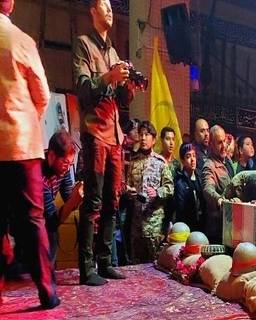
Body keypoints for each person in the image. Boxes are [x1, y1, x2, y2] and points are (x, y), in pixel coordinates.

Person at [0, 0, 60, 308]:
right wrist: (25, 122)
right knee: (34, 220)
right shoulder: (20, 40)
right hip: (21, 145)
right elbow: (43, 95)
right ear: (9, 5)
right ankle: (47, 292)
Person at [74, 0, 136, 285]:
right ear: (93, 11)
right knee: (94, 200)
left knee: (113, 199)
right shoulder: (83, 44)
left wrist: (129, 87)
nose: (110, 10)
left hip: (115, 136)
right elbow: (83, 89)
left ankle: (105, 261)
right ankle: (86, 268)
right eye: (104, 5)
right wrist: (109, 76)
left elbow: (122, 100)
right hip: (95, 131)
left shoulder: (113, 52)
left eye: (111, 6)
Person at [125, 121, 173, 264]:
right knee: (136, 264)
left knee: (155, 264)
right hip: (137, 224)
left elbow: (170, 188)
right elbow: (128, 185)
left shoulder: (160, 163)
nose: (143, 138)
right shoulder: (134, 162)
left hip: (154, 224)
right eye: (141, 135)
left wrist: (158, 192)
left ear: (154, 139)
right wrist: (129, 192)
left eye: (147, 135)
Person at [43, 131, 83, 265]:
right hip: (25, 223)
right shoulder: (38, 176)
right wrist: (73, 200)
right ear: (52, 155)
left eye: (70, 164)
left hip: (46, 222)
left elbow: (68, 196)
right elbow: (52, 221)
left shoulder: (63, 169)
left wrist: (79, 194)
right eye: (65, 163)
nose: (67, 168)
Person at [202, 125, 232, 243]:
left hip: (230, 224)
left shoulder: (228, 161)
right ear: (211, 145)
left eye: (224, 141)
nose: (224, 146)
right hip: (217, 229)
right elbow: (207, 188)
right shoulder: (209, 165)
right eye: (219, 142)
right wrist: (218, 199)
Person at [173, 143, 205, 231]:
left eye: (194, 156)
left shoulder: (200, 177)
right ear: (182, 160)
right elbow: (181, 209)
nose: (192, 160)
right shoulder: (180, 181)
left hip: (201, 224)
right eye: (188, 157)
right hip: (186, 226)